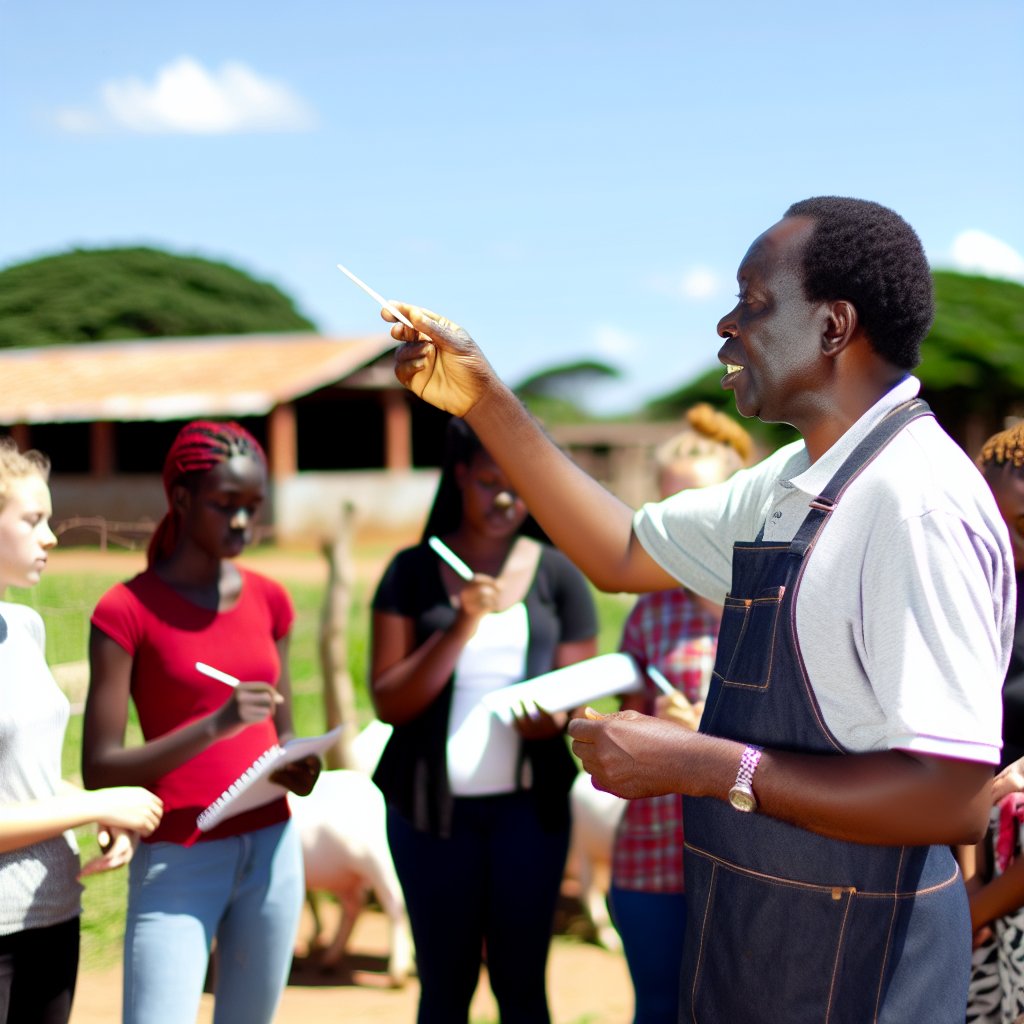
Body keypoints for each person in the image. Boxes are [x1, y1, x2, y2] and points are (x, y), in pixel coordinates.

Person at [380, 196, 1014, 1022]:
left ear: (833, 326)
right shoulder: (790, 482)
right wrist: (482, 397)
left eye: (753, 301)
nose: (725, 323)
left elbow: (952, 797)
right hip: (762, 938)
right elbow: (621, 552)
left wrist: (704, 765)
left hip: (866, 962)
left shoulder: (915, 503)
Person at [81, 421, 318, 1024]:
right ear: (181, 500)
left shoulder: (271, 599)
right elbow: (99, 766)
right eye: (225, 505)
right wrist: (215, 726)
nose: (242, 522)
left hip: (272, 848)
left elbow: (283, 729)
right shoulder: (126, 610)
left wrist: (299, 761)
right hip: (180, 856)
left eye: (253, 507)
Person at [370, 416, 598, 1024]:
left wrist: (555, 721)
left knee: (522, 986)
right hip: (430, 816)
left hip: (530, 815)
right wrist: (462, 624)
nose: (504, 498)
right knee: (445, 987)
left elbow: (580, 693)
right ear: (460, 477)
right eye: (488, 481)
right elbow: (389, 702)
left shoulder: (558, 574)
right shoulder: (411, 573)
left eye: (517, 483)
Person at [0, 437, 163, 1024]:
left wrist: (94, 809)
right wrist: (96, 801)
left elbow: (26, 780)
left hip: (54, 913)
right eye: (33, 520)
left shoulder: (24, 626)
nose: (50, 536)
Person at [609, 404, 752, 1024]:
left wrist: (706, 736)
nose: (677, 522)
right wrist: (646, 724)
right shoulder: (650, 612)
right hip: (653, 854)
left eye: (692, 502)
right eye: (665, 506)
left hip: (750, 863)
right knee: (658, 1009)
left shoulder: (773, 604)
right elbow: (626, 731)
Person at [960, 420, 1024, 1024]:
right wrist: (969, 885)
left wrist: (972, 911)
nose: (1008, 540)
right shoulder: (973, 592)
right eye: (995, 521)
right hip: (970, 832)